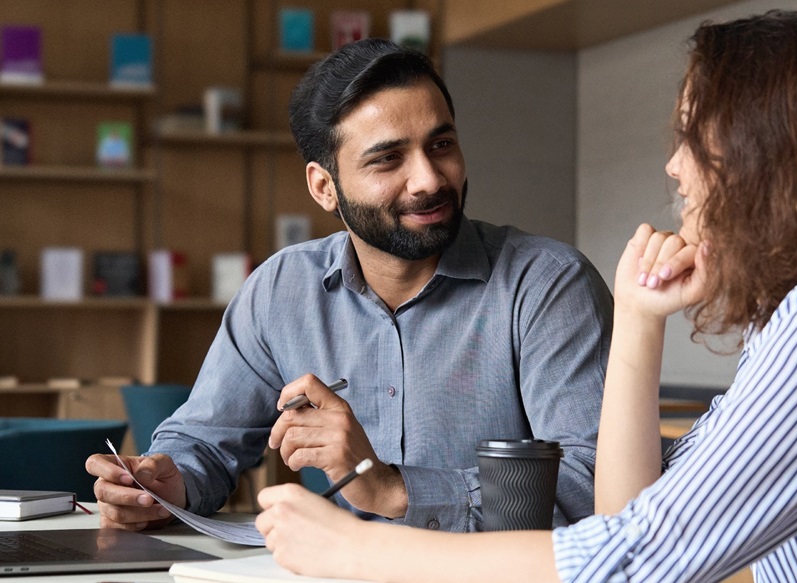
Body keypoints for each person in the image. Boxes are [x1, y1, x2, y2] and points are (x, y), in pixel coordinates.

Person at [253, 10, 797, 582]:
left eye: (692, 135)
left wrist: (357, 552)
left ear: (771, 154)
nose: (673, 166)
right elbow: (627, 514)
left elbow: (635, 563)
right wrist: (639, 318)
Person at [85, 39, 613, 533]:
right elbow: (204, 438)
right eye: (388, 159)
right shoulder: (282, 290)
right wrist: (165, 481)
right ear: (324, 187)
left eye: (442, 144)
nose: (429, 178)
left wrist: (395, 490)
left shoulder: (548, 285)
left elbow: (600, 487)